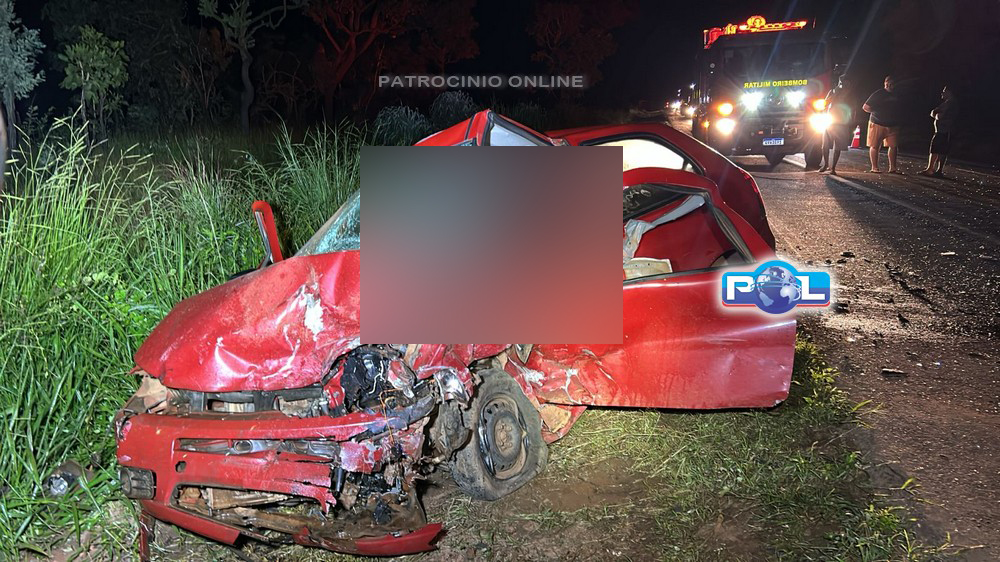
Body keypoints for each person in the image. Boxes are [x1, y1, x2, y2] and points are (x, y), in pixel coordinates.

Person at [862, 75, 902, 173]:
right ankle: (874, 167)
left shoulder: (897, 95)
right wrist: (876, 113)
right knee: (875, 145)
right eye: (887, 84)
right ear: (885, 84)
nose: (889, 85)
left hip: (892, 124)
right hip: (877, 123)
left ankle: (893, 168)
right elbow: (866, 107)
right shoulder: (878, 94)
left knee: (893, 146)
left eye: (892, 84)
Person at [818, 75, 854, 175]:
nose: (843, 84)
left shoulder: (849, 94)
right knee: (825, 144)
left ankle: (833, 168)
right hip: (829, 120)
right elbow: (825, 103)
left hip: (842, 122)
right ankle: (825, 164)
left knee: (838, 145)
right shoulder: (833, 91)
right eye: (841, 82)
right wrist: (835, 92)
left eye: (845, 82)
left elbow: (852, 107)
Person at [920, 86, 958, 178]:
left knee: (939, 149)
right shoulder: (947, 103)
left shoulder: (950, 104)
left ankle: (934, 170)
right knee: (938, 149)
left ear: (949, 92)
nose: (942, 93)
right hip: (942, 130)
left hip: (944, 130)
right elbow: (933, 112)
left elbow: (938, 115)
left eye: (944, 91)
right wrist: (935, 114)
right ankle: (934, 169)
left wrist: (936, 115)